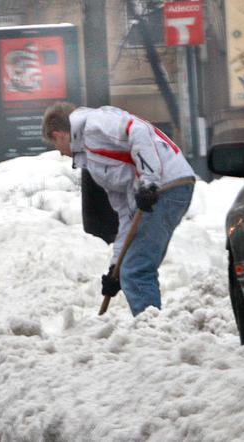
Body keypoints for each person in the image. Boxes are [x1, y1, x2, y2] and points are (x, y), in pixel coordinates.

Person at [42, 102, 195, 316]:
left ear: (58, 135)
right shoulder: (93, 162)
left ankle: (151, 331)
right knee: (131, 268)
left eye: (54, 144)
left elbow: (137, 130)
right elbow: (125, 213)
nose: (60, 153)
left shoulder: (95, 124)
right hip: (166, 189)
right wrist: (115, 268)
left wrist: (149, 182)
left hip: (167, 186)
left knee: (136, 270)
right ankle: (152, 325)